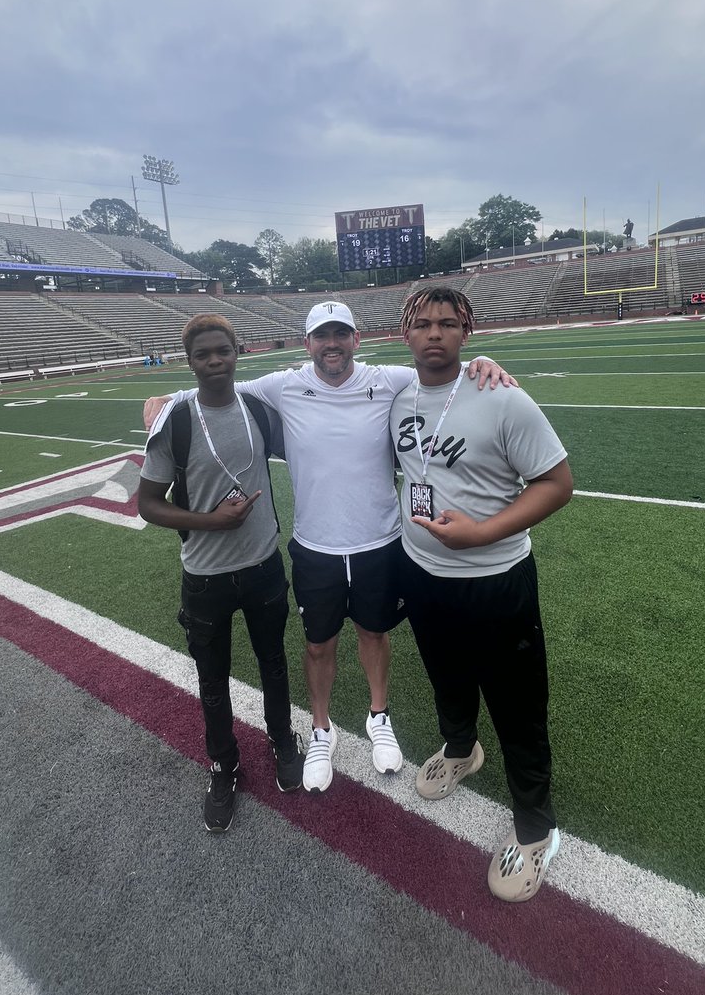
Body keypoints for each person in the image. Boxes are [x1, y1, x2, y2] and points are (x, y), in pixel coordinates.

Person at [145, 300, 515, 795]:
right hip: (315, 545)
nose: (332, 344)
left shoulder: (386, 379)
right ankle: (321, 729)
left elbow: (439, 371)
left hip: (380, 541)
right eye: (323, 336)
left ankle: (378, 716)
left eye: (342, 333)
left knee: (374, 632)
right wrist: (166, 398)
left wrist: (478, 365)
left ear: (356, 339)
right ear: (308, 345)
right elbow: (216, 387)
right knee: (318, 644)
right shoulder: (283, 384)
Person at [391, 285, 572, 902]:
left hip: (495, 581)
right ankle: (462, 750)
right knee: (447, 678)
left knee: (519, 707)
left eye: (448, 323)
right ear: (405, 332)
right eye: (423, 323)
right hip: (421, 574)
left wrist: (482, 534)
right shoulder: (397, 393)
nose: (434, 333)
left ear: (467, 331)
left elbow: (556, 483)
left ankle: (535, 829)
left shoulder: (502, 396)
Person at [138, 315, 303, 833]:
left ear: (238, 352)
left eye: (222, 352)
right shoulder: (176, 420)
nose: (214, 362)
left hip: (262, 565)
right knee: (212, 681)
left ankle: (282, 738)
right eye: (203, 355)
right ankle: (223, 765)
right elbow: (147, 504)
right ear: (190, 362)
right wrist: (211, 521)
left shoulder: (257, 408)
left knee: (274, 663)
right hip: (205, 576)